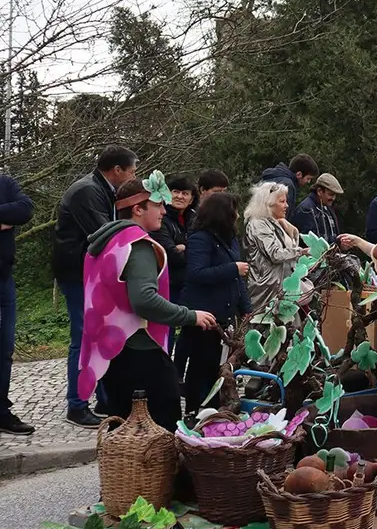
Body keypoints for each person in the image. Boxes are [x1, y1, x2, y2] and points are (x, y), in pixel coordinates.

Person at [79, 173, 216, 431]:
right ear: (138, 208)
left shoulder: (105, 241)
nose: (164, 210)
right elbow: (144, 299)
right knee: (162, 427)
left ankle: (123, 473)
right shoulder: (138, 245)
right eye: (157, 204)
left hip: (110, 350)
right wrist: (190, 315)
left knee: (124, 428)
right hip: (139, 349)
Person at [53, 145, 138, 427]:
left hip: (91, 273)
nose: (132, 177)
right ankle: (77, 404)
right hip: (78, 274)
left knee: (99, 335)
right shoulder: (87, 191)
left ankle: (104, 398)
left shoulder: (102, 190)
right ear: (117, 170)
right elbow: (104, 233)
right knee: (84, 337)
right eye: (132, 172)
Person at [179, 192, 251, 414]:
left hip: (224, 314)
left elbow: (236, 279)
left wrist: (246, 307)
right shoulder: (200, 238)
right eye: (234, 211)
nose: (237, 215)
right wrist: (233, 268)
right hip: (204, 313)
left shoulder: (228, 238)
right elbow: (197, 273)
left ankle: (212, 410)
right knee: (200, 367)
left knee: (215, 368)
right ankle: (195, 410)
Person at [243, 182, 309, 316]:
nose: (287, 205)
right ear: (269, 203)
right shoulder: (258, 224)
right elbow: (274, 254)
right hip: (266, 290)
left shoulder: (275, 222)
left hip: (281, 288)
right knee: (263, 328)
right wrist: (301, 252)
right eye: (282, 201)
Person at [0, 174, 33, 435]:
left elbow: (24, 210)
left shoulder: (5, 183)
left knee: (4, 350)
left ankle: (1, 411)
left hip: (4, 279)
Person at [152, 174, 196, 306]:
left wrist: (184, 248)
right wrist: (191, 250)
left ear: (191, 198)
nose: (179, 196)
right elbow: (169, 254)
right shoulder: (161, 219)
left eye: (185, 193)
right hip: (168, 283)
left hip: (189, 284)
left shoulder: (195, 219)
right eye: (175, 192)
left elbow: (203, 249)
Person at [291, 173, 345, 243]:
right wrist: (337, 241)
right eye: (330, 194)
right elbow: (311, 241)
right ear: (319, 191)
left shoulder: (327, 207)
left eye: (335, 195)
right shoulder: (306, 210)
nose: (333, 198)